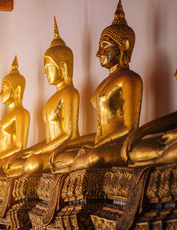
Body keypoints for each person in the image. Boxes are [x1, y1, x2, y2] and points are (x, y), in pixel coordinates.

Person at [56, 0, 142, 171]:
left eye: (104, 46)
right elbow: (98, 134)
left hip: (117, 146)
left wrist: (97, 145)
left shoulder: (130, 79)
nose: (98, 53)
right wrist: (65, 146)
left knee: (93, 157)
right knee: (62, 158)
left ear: (123, 45)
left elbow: (130, 127)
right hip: (100, 145)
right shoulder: (103, 84)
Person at [121, 0, 177, 166]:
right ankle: (164, 157)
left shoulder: (130, 79)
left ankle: (157, 160)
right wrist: (141, 132)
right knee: (134, 149)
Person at [23, 17, 80, 174]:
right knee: (23, 160)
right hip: (53, 150)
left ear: (62, 66)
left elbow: (69, 134)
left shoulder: (70, 93)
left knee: (32, 163)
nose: (45, 72)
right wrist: (30, 150)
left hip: (67, 149)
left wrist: (39, 151)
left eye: (48, 67)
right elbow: (50, 138)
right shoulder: (51, 99)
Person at [0, 56, 30, 177]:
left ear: (17, 90)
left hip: (13, 159)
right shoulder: (6, 116)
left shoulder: (22, 113)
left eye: (4, 89)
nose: (0, 93)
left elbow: (19, 146)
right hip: (3, 158)